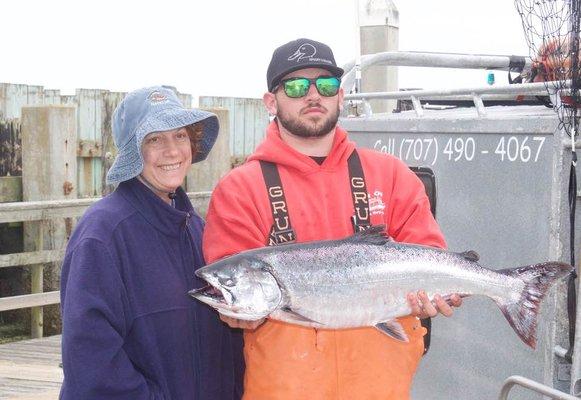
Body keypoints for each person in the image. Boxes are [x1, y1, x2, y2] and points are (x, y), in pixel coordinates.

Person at [202, 39, 462, 400]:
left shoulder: (392, 174)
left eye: (326, 85)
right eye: (295, 86)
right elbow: (232, 287)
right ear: (270, 101)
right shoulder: (239, 189)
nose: (313, 95)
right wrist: (235, 312)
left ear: (340, 97)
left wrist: (435, 295)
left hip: (383, 390)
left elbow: (429, 253)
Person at [60, 86, 241, 400]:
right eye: (155, 139)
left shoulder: (197, 229)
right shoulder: (101, 235)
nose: (172, 151)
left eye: (180, 136)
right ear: (133, 152)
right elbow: (90, 362)